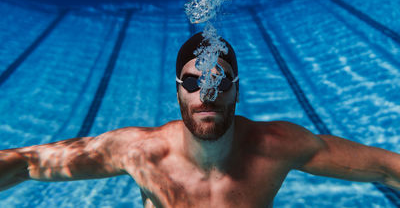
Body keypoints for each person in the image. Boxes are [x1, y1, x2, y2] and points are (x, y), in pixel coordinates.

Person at [0, 32, 399, 208]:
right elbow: (29, 163)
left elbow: (385, 170)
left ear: (236, 89)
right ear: (177, 91)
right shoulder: (141, 152)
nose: (206, 93)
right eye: (193, 81)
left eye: (218, 80)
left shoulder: (277, 146)